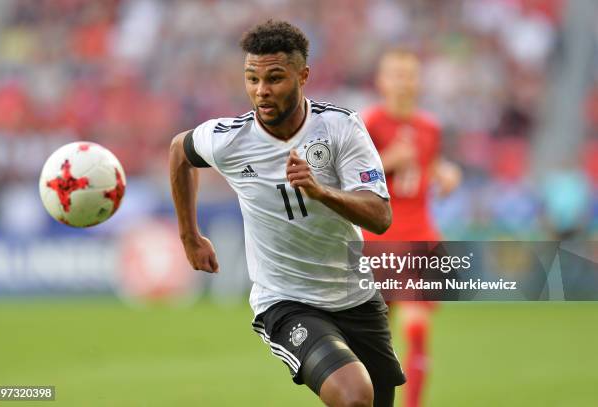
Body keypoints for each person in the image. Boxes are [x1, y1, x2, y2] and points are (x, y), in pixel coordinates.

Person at [169, 20, 405, 407]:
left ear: (303, 75)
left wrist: (320, 190)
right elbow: (180, 152)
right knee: (354, 396)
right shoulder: (230, 139)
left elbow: (380, 215)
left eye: (275, 78)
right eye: (252, 79)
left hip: (356, 297)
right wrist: (189, 236)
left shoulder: (340, 128)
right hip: (287, 302)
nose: (261, 91)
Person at [362, 49, 462, 407]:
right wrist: (386, 162)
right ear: (382, 81)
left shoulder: (429, 127)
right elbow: (348, 180)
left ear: (419, 81)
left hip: (420, 234)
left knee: (418, 328)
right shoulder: (368, 124)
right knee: (375, 334)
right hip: (378, 236)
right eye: (396, 74)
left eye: (410, 75)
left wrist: (445, 172)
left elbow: (429, 164)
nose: (403, 82)